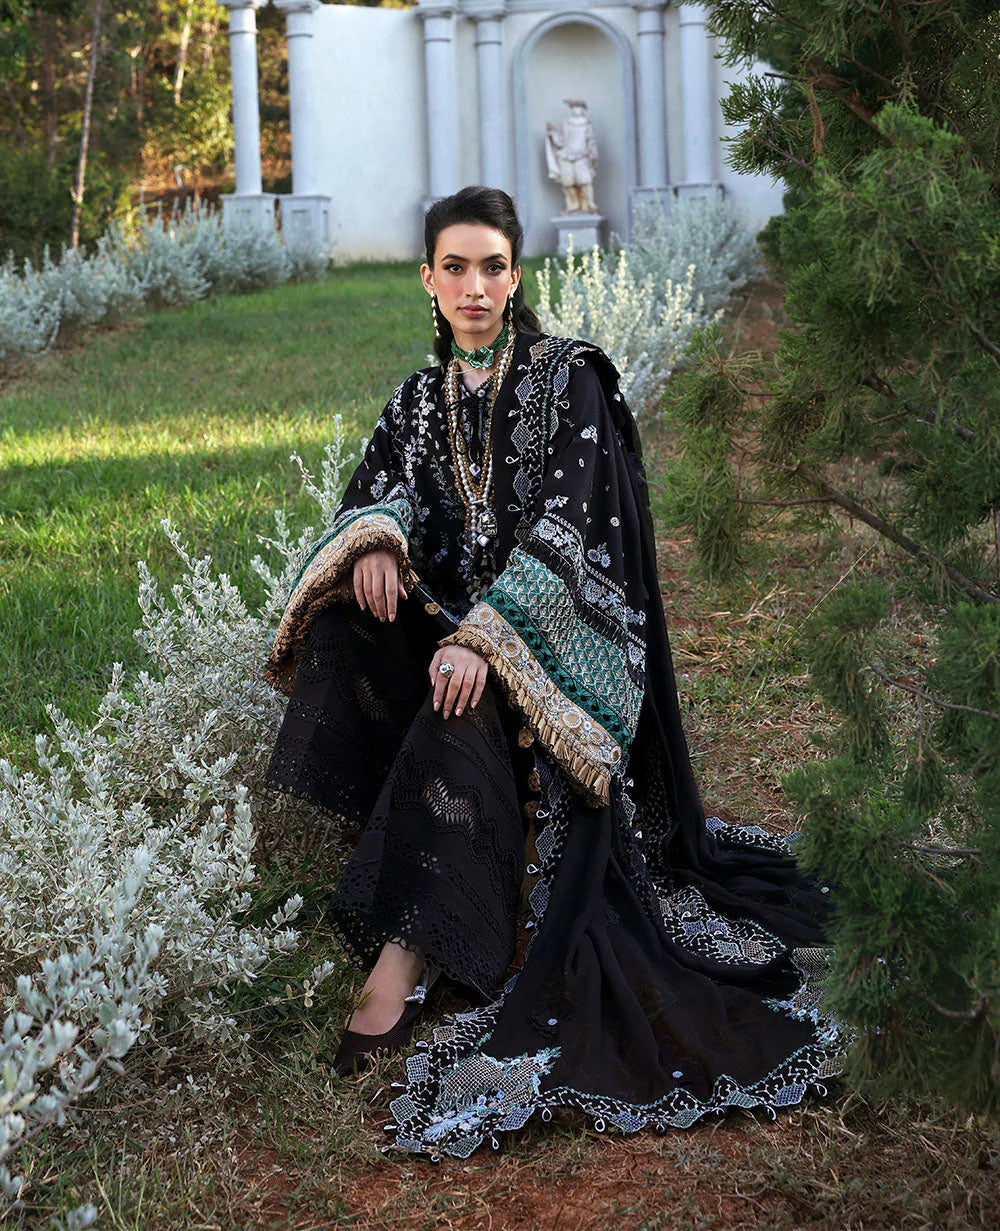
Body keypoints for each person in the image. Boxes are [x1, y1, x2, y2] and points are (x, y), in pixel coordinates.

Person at [263, 185, 843, 1160]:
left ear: (515, 275)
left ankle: (404, 954)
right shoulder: (415, 401)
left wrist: (490, 639)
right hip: (449, 635)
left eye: (492, 266)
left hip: (550, 653)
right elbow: (372, 489)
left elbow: (575, 531)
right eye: (455, 267)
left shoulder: (567, 379)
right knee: (346, 626)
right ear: (427, 280)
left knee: (460, 693)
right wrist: (379, 537)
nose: (474, 287)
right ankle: (401, 866)